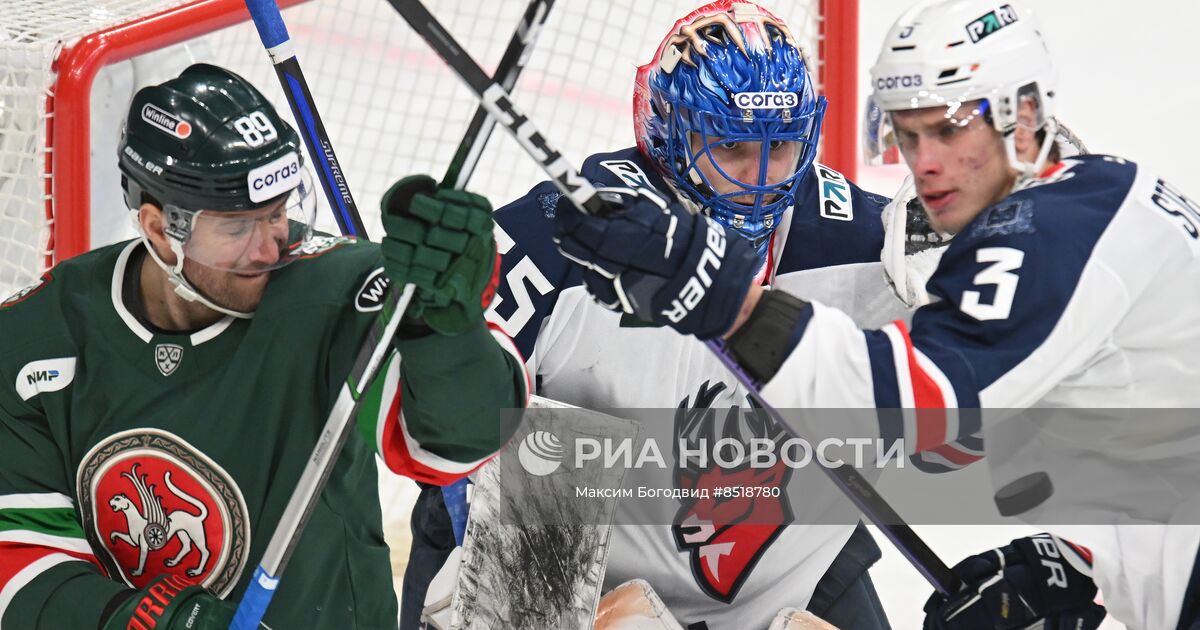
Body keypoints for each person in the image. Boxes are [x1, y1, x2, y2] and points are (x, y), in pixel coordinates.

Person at [551, 0, 1200, 628]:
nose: (927, 165)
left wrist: (724, 298)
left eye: (948, 128)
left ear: (1023, 114)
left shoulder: (1051, 235)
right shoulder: (1099, 201)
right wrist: (1069, 569)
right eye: (909, 133)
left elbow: (900, 409)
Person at [403, 2, 907, 628]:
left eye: (781, 147)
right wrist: (440, 330)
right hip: (566, 559)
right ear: (671, 131)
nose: (759, 178)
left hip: (781, 566)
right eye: (731, 145)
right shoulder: (566, 236)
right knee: (553, 453)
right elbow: (440, 421)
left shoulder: (864, 238)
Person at [0, 63, 528, 629]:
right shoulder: (36, 338)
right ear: (159, 228)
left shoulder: (337, 291)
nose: (270, 246)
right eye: (238, 226)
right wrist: (159, 624)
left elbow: (460, 445)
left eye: (278, 212)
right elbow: (21, 565)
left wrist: (445, 331)